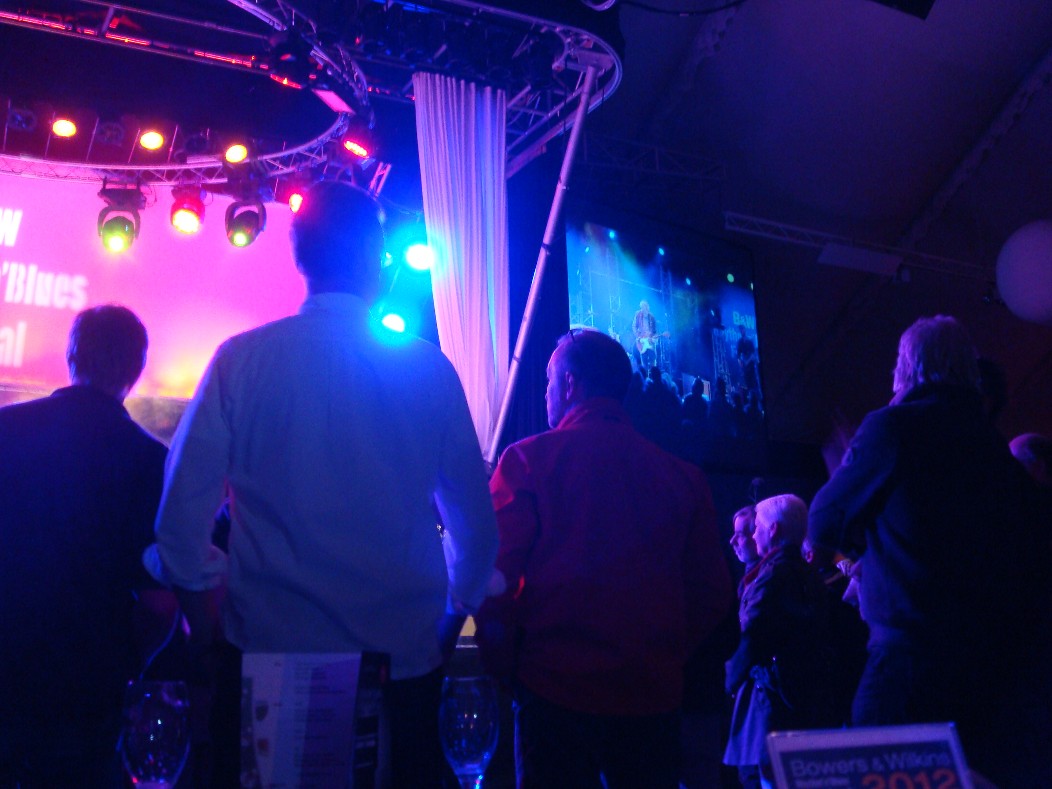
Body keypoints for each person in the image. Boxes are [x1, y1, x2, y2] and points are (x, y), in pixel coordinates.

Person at [145, 181, 499, 788]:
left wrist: (207, 629)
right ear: (378, 261)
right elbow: (476, 534)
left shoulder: (240, 360)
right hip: (401, 671)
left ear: (299, 254)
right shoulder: (429, 371)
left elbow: (178, 526)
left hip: (264, 664)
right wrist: (445, 624)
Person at [475, 328, 732, 789]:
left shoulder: (528, 461)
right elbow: (711, 594)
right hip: (651, 700)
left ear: (569, 384)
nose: (547, 392)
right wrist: (660, 654)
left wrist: (508, 665)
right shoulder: (685, 479)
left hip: (554, 693)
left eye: (549, 381)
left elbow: (491, 578)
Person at [808, 315, 1052, 787]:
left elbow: (823, 522)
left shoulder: (891, 428)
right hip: (990, 671)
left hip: (907, 664)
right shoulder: (993, 445)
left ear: (907, 367)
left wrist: (854, 472)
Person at [0, 304, 168, 788]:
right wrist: (127, 664)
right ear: (136, 370)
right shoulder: (150, 460)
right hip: (87, 690)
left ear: (71, 356)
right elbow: (159, 604)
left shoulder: (5, 431)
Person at [723, 494, 833, 789]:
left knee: (760, 776)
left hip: (770, 699)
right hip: (805, 697)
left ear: (773, 530)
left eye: (757, 527)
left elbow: (753, 634)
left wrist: (730, 680)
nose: (753, 535)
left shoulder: (772, 575)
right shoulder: (810, 575)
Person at [633, 299, 660, 370]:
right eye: (641, 307)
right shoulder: (638, 315)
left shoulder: (652, 317)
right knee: (644, 361)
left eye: (644, 307)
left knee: (652, 360)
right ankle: (645, 374)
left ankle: (653, 373)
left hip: (650, 341)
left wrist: (654, 337)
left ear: (647, 307)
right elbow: (634, 326)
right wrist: (638, 336)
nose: (643, 309)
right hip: (642, 341)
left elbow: (655, 331)